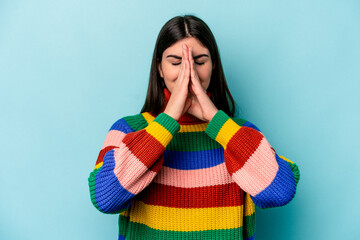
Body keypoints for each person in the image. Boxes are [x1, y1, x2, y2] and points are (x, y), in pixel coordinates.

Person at [88, 14, 300, 240]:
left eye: (199, 62)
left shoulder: (237, 133)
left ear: (213, 66)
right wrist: (168, 119)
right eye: (176, 62)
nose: (188, 73)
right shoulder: (129, 129)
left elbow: (281, 191)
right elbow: (105, 198)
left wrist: (215, 119)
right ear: (159, 68)